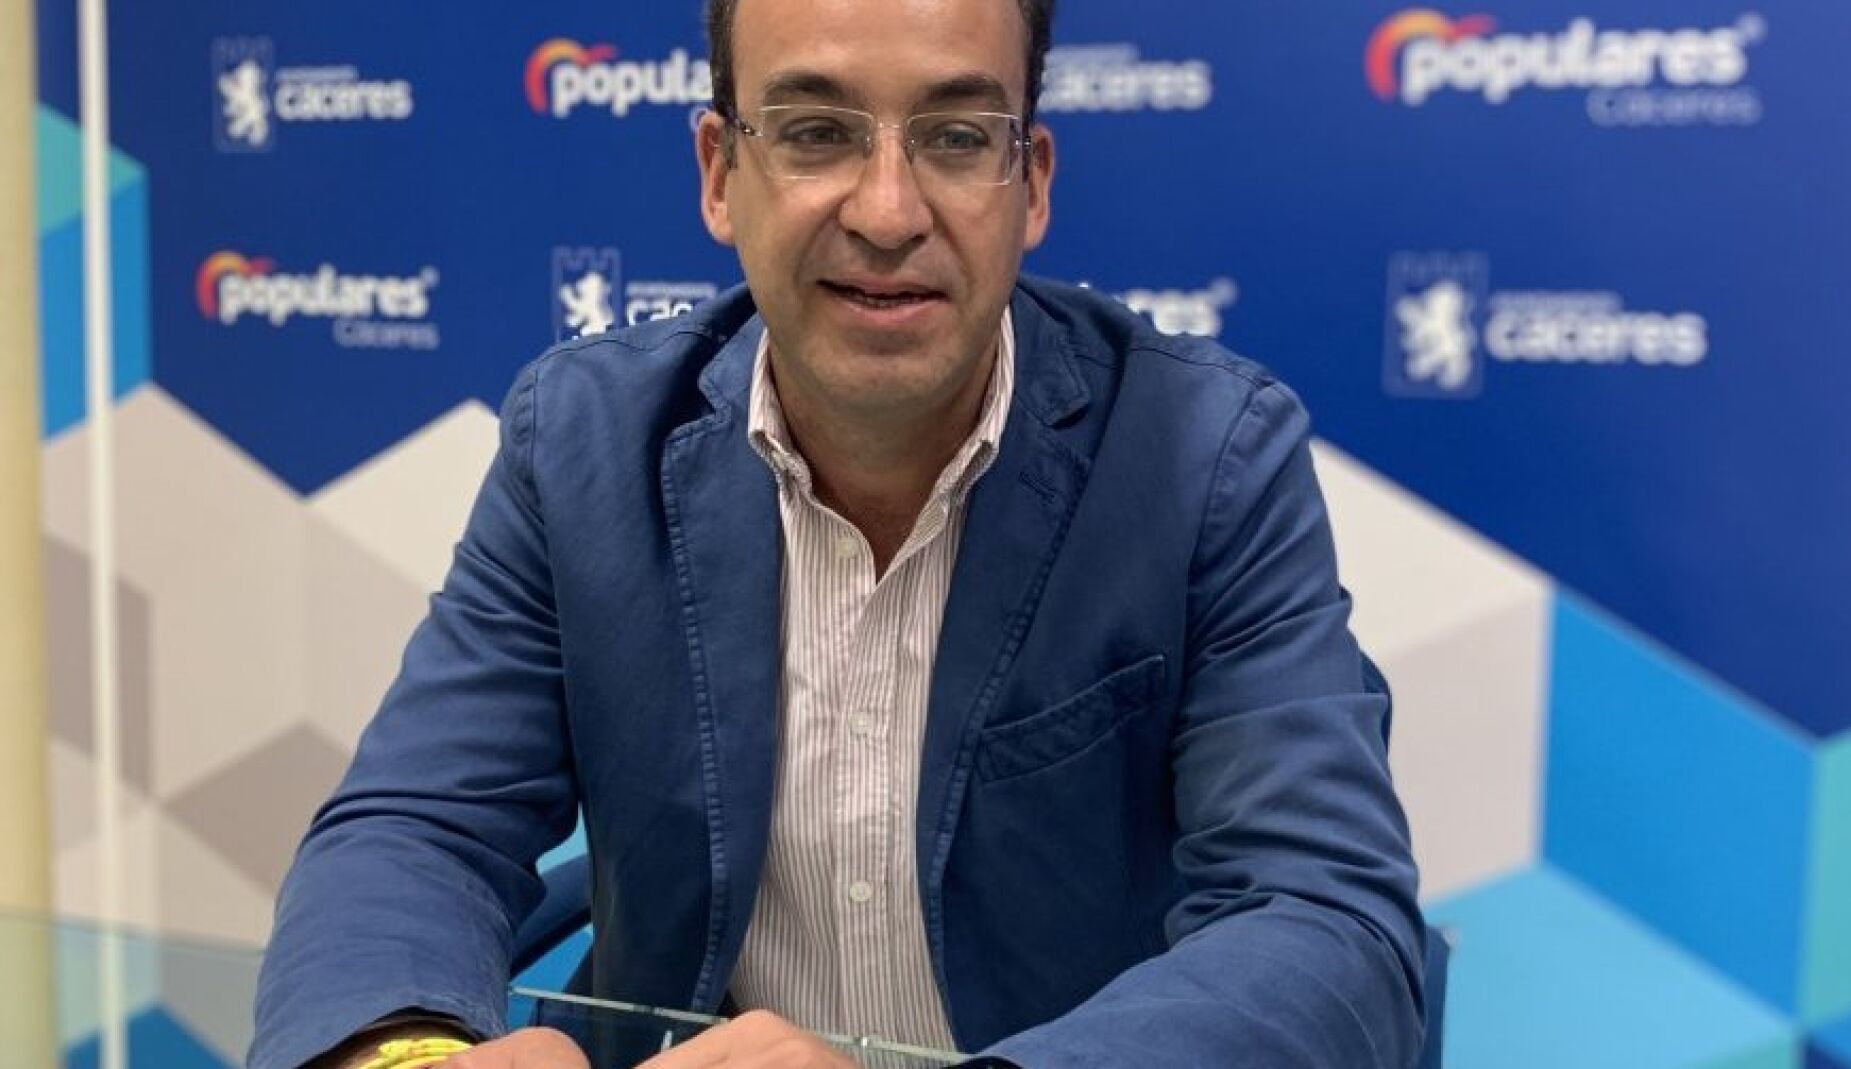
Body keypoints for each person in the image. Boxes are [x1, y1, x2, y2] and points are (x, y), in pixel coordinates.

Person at [249, 0, 1427, 1066]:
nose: (887, 211)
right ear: (721, 174)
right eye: (816, 133)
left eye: (955, 138)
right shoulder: (582, 445)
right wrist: (404, 1057)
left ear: (1030, 183)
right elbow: (418, 825)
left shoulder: (1205, 458)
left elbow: (1323, 919)